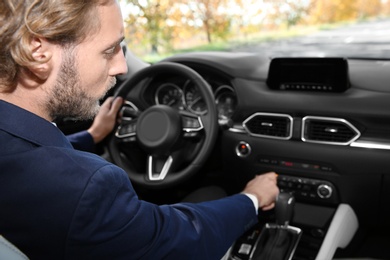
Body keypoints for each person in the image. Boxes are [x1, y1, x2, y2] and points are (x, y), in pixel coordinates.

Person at [0, 0, 279, 259]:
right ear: (37, 52)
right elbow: (176, 239)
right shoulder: (85, 187)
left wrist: (93, 135)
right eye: (110, 50)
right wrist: (251, 199)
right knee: (214, 193)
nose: (121, 67)